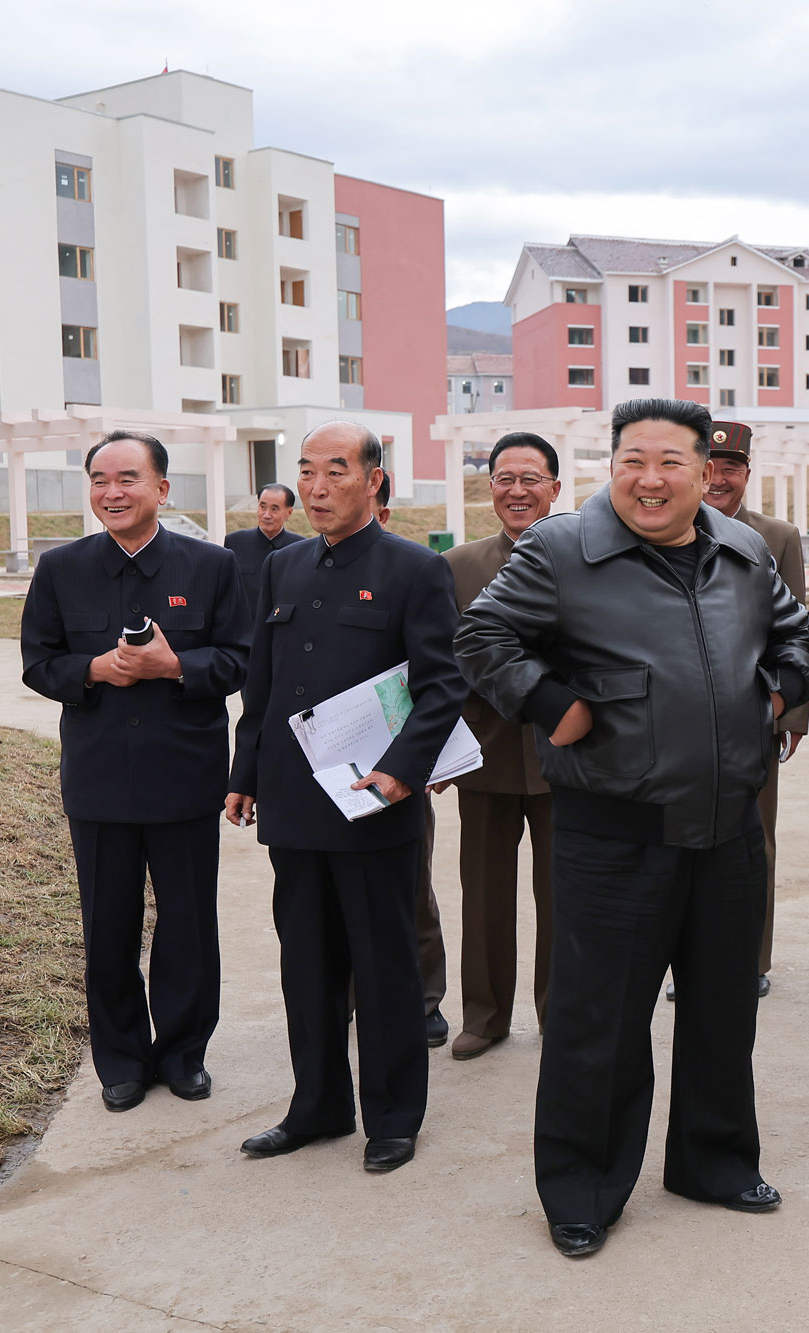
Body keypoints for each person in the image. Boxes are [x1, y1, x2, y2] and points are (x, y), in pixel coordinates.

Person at [455, 397, 809, 1257]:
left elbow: (794, 633)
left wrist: (777, 691)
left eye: (670, 463)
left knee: (724, 1010)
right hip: (614, 829)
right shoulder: (561, 549)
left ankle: (715, 1161)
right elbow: (483, 636)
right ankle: (582, 1185)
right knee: (600, 1021)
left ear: (703, 474)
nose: (649, 479)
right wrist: (554, 705)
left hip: (729, 824)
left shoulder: (742, 550)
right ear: (611, 466)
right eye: (632, 460)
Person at [226, 421, 468, 1175]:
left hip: (373, 804)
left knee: (384, 963)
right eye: (307, 470)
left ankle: (394, 1115)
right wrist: (244, 771)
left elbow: (441, 686)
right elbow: (261, 684)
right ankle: (319, 1105)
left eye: (336, 470)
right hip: (297, 803)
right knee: (307, 962)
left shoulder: (413, 570)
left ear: (375, 481)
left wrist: (402, 769)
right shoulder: (284, 568)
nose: (317, 486)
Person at [21, 429, 252, 1111]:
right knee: (109, 927)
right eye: (99, 479)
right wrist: (95, 668)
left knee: (188, 925)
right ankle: (120, 1059)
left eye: (128, 478)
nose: (112, 492)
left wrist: (173, 663)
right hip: (99, 782)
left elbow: (239, 660)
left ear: (162, 488)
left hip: (185, 778)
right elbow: (38, 662)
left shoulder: (211, 567)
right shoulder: (60, 567)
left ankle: (184, 1053)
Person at [437, 432, 562, 1060]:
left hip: (566, 758)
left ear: (555, 489)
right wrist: (432, 752)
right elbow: (435, 668)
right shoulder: (457, 567)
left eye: (530, 478)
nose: (517, 490)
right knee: (483, 893)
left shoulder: (586, 558)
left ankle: (559, 1014)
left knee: (563, 895)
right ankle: (484, 1016)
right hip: (481, 754)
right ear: (490, 490)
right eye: (504, 478)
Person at [700, 420, 807, 997]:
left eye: (732, 468)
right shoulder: (665, 529)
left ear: (746, 473)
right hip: (681, 718)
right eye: (710, 467)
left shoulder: (777, 536)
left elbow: (794, 635)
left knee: (754, 839)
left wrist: (787, 715)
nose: (719, 480)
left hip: (751, 716)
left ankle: (752, 960)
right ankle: (692, 957)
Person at [373, 487, 451, 1047]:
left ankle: (424, 1001)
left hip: (400, 760)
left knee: (411, 890)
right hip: (332, 763)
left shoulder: (415, 570)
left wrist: (420, 761)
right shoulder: (297, 569)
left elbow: (440, 680)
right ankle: (355, 998)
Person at [223, 483, 304, 606]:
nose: (266, 515)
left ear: (289, 512)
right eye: (262, 507)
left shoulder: (300, 547)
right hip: (246, 622)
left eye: (274, 509)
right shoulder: (234, 542)